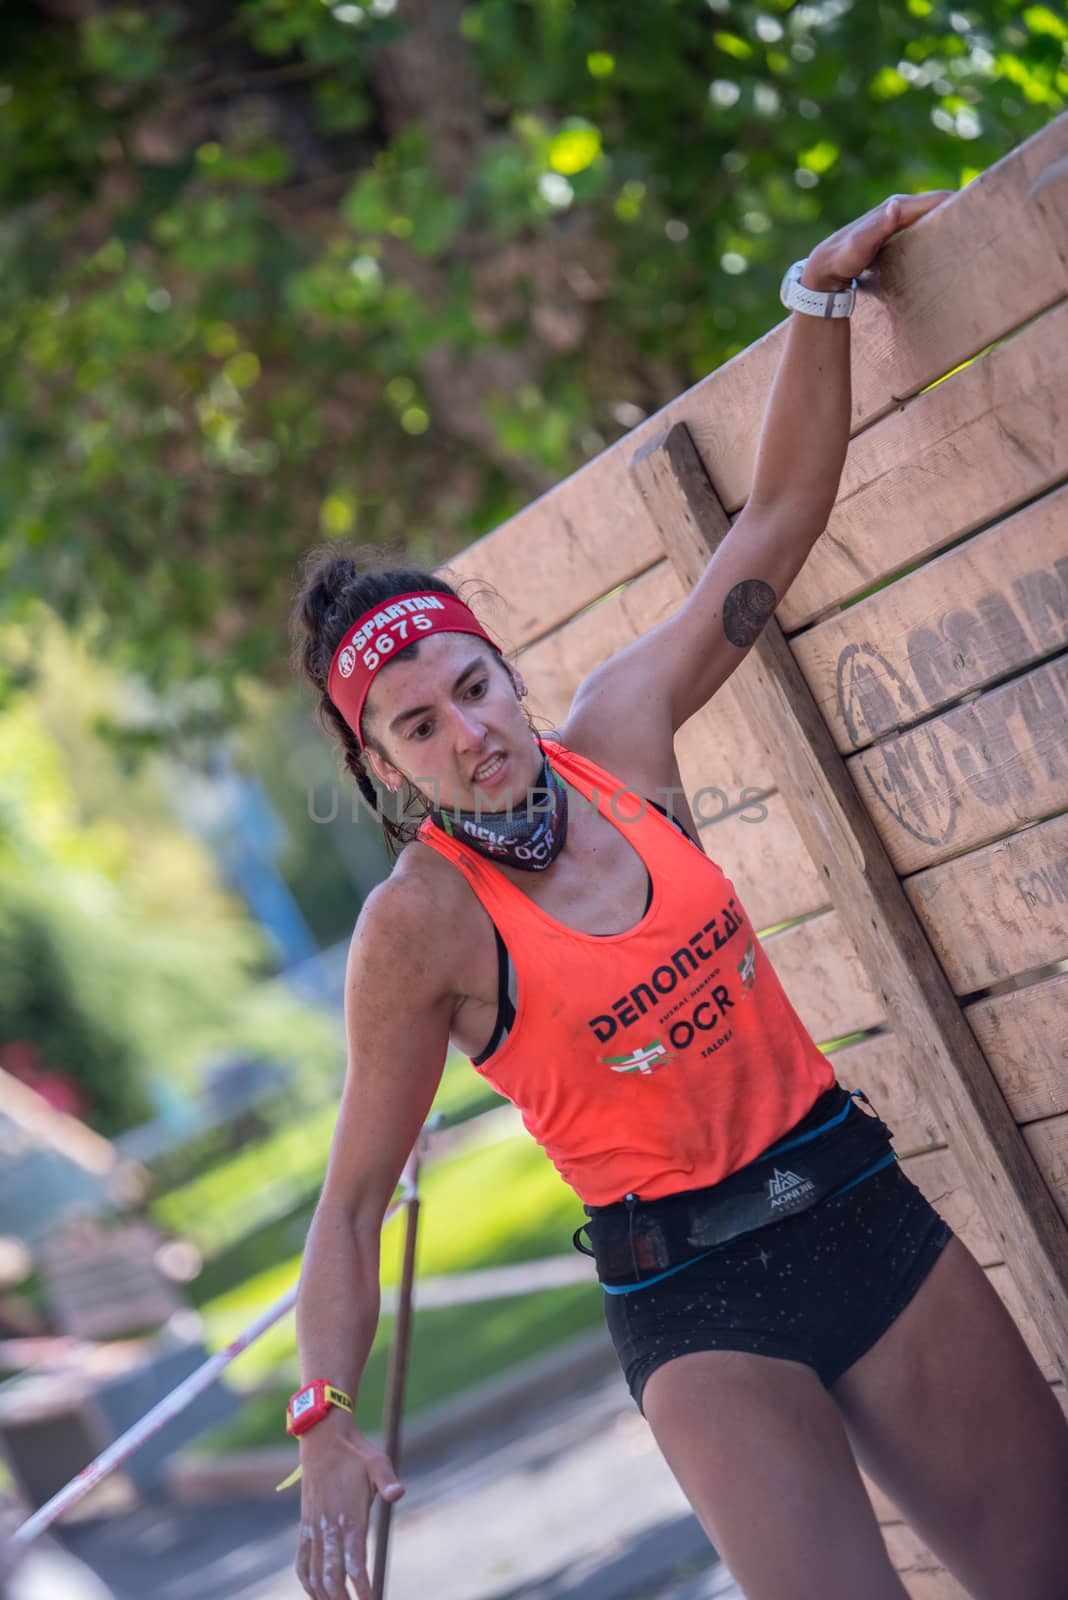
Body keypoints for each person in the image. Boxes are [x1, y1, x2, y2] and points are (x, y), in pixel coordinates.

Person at [287, 193, 1068, 1600]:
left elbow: (773, 521)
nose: (468, 733)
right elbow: (349, 1209)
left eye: (472, 686)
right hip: (695, 1302)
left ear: (506, 670)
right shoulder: (422, 926)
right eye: (417, 727)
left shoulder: (622, 735)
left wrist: (816, 303)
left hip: (853, 1199)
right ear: (382, 763)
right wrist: (322, 1419)